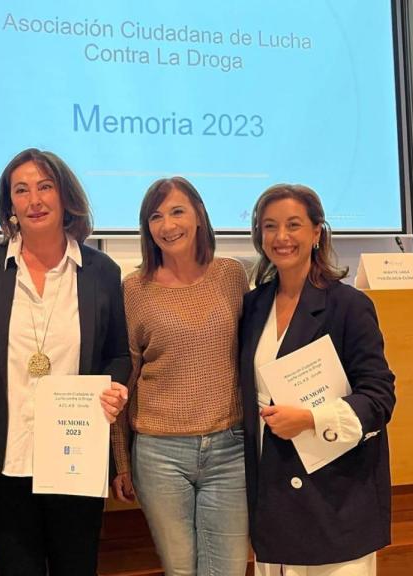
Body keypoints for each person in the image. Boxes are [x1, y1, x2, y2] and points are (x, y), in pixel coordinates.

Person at [0, 148, 131, 576]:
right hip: (6, 456)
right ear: (10, 206)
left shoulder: (101, 271)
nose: (34, 200)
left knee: (76, 567)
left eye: (45, 187)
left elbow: (117, 352)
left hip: (76, 453)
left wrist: (115, 387)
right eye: (21, 190)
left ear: (65, 198)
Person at [239, 184, 396, 576]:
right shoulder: (253, 306)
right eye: (270, 226)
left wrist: (311, 420)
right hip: (273, 490)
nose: (281, 237)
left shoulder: (348, 305)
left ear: (317, 233)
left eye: (294, 225)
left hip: (335, 495)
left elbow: (379, 397)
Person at [112, 176, 250, 576]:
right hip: (159, 455)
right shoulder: (134, 289)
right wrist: (122, 460)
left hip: (230, 448)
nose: (168, 225)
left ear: (199, 216)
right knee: (180, 570)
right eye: (156, 216)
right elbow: (126, 381)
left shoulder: (232, 275)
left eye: (177, 211)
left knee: (225, 570)